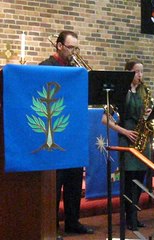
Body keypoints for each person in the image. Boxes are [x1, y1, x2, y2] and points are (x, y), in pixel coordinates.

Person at [39, 30, 94, 237]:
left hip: (74, 130)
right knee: (55, 180)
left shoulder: (76, 70)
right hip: (54, 130)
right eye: (71, 47)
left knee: (73, 177)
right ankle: (50, 224)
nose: (73, 52)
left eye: (76, 48)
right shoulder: (45, 67)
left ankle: (73, 221)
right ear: (59, 46)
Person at [101, 59, 152, 230]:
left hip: (142, 137)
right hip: (127, 137)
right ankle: (128, 216)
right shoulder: (120, 92)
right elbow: (105, 119)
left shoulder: (144, 91)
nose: (140, 75)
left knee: (140, 178)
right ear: (128, 72)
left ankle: (133, 214)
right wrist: (124, 131)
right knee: (129, 179)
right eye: (137, 72)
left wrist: (149, 114)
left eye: (142, 72)